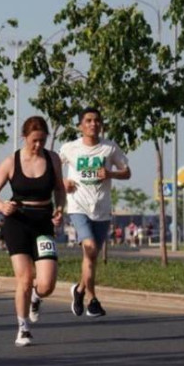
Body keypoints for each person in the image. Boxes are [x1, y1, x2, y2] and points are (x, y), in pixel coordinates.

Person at [0, 116, 65, 346]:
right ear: (24, 137)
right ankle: (23, 328)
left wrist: (59, 208)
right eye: (34, 141)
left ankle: (36, 298)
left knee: (46, 284)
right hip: (18, 222)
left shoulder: (53, 159)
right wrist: (2, 206)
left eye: (42, 140)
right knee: (24, 277)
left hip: (43, 223)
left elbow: (60, 189)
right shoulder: (11, 162)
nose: (38, 145)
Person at [59, 106, 131, 318]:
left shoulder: (109, 148)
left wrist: (110, 173)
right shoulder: (70, 148)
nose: (93, 124)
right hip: (78, 206)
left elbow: (127, 172)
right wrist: (62, 181)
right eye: (88, 120)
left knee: (91, 258)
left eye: (97, 120)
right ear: (80, 125)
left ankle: (79, 290)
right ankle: (93, 300)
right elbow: (53, 166)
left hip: (101, 209)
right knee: (89, 248)